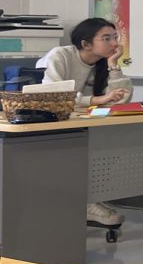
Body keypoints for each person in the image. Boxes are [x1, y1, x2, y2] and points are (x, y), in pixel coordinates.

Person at [38, 17, 133, 230]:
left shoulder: (102, 63)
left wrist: (113, 65)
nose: (114, 44)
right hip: (49, 123)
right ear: (86, 44)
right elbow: (54, 96)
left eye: (115, 37)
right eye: (106, 38)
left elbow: (122, 99)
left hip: (81, 123)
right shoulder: (60, 56)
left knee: (108, 145)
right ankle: (82, 202)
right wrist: (93, 100)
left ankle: (89, 200)